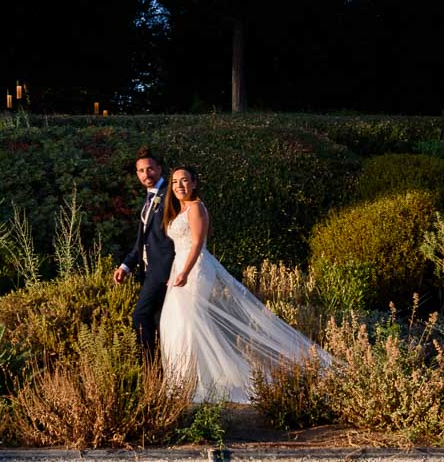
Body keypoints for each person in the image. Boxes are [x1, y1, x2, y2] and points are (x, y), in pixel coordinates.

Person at [157, 166, 331, 403]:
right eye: (175, 181)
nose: (179, 185)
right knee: (177, 322)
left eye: (184, 180)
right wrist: (177, 271)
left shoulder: (196, 207)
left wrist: (185, 272)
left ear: (194, 183)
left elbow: (197, 243)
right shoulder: (180, 210)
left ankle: (194, 383)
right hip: (180, 266)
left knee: (190, 323)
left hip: (195, 269)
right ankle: (186, 380)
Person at [114, 147, 174, 357]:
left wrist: (175, 270)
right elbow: (143, 240)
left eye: (150, 169)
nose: (146, 174)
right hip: (148, 271)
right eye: (141, 171)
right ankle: (163, 364)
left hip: (163, 270)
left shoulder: (170, 195)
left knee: (140, 315)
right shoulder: (150, 197)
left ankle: (148, 364)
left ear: (159, 168)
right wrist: (126, 266)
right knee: (158, 319)